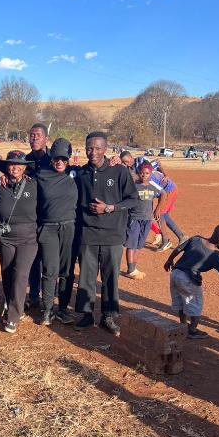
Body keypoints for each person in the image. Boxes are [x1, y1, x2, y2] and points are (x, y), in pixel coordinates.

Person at [74, 132, 138, 336]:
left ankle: (108, 316)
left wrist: (109, 208)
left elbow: (133, 199)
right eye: (89, 148)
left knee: (110, 277)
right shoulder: (81, 173)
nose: (93, 152)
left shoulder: (118, 171)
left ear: (105, 149)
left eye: (97, 148)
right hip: (88, 233)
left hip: (113, 235)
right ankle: (86, 315)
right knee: (86, 277)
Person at [0, 151, 38, 333]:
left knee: (20, 274)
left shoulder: (33, 184)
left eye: (20, 164)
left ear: (25, 167)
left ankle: (13, 316)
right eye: (12, 164)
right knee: (7, 273)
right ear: (6, 167)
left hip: (28, 238)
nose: (16, 167)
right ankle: (10, 301)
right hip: (6, 237)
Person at [36, 138, 78, 325]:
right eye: (56, 159)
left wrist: (114, 160)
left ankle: (62, 309)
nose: (60, 162)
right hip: (48, 228)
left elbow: (98, 169)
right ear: (51, 158)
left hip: (69, 228)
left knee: (66, 271)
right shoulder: (40, 175)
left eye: (64, 159)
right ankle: (47, 309)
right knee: (50, 270)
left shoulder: (76, 173)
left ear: (69, 159)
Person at [164, 223, 219, 338]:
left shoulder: (196, 239)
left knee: (181, 302)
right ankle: (192, 330)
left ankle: (183, 324)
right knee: (196, 305)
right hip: (189, 280)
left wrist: (169, 260)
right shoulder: (215, 255)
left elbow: (178, 248)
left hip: (175, 273)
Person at [123, 161, 164, 279]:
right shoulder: (134, 186)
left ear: (151, 174)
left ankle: (134, 268)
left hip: (147, 219)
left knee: (139, 245)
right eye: (142, 173)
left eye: (147, 173)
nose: (144, 175)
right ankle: (130, 270)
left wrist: (157, 209)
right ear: (138, 173)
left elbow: (164, 194)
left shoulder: (152, 186)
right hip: (134, 218)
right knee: (131, 244)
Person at [25, 123, 51, 308]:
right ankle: (34, 295)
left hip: (50, 217)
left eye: (38, 135)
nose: (34, 138)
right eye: (31, 135)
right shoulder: (25, 161)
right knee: (33, 258)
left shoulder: (54, 160)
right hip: (31, 217)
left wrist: (112, 159)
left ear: (46, 139)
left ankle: (49, 299)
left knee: (49, 260)